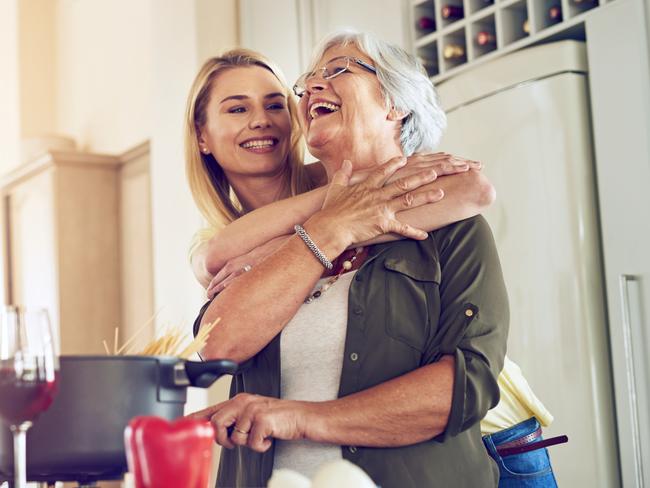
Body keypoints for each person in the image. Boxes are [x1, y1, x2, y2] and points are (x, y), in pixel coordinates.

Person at [187, 37, 558, 487]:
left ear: (396, 106)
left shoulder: (416, 201)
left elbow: (473, 189)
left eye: (340, 70)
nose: (262, 120)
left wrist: (344, 212)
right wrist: (333, 217)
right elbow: (216, 266)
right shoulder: (238, 236)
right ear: (201, 136)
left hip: (498, 436)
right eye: (236, 108)